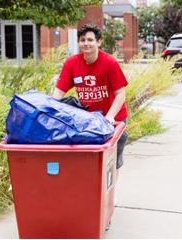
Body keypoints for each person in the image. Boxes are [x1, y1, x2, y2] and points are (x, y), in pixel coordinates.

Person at [52, 24, 128, 170]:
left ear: (99, 42)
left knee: (111, 163)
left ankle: (110, 193)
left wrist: (110, 116)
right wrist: (49, 112)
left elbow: (121, 94)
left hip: (113, 118)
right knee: (89, 162)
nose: (86, 43)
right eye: (82, 40)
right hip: (88, 121)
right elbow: (59, 93)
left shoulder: (110, 63)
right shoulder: (72, 64)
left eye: (90, 40)